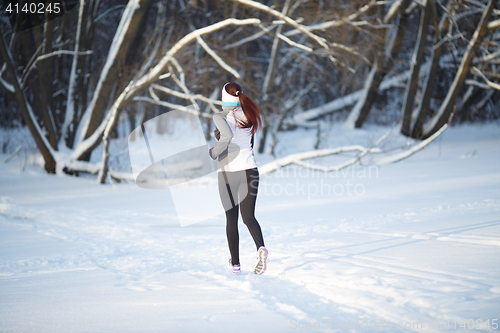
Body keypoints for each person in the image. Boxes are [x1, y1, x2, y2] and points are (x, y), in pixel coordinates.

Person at [209, 82, 268, 275]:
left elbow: (224, 139)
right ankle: (260, 248)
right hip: (250, 170)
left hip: (228, 174)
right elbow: (249, 142)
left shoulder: (221, 117)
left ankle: (235, 264)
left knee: (231, 219)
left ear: (225, 100)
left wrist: (213, 152)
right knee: (249, 217)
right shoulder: (250, 114)